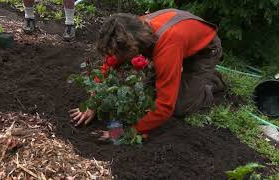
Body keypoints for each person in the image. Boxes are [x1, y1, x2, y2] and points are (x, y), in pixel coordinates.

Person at [69, 8, 226, 140]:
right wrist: (92, 103)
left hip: (204, 51)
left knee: (180, 107)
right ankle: (185, 78)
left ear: (133, 48)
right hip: (179, 45)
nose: (115, 57)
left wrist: (123, 132)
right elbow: (109, 65)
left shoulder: (167, 47)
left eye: (119, 54)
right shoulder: (129, 29)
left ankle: (211, 82)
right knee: (148, 94)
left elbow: (165, 108)